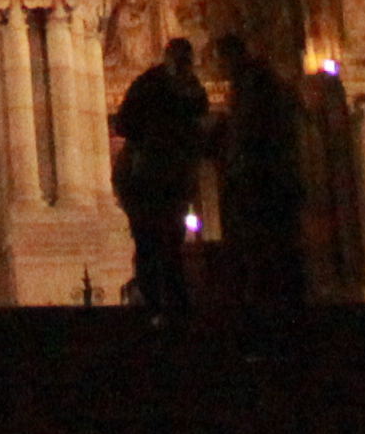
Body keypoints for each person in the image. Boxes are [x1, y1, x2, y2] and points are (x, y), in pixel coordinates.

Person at [112, 34, 210, 314]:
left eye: (187, 62)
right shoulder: (148, 85)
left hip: (174, 177)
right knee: (150, 239)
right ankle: (154, 303)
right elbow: (124, 123)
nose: (183, 67)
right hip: (146, 177)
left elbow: (200, 121)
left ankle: (171, 304)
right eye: (179, 60)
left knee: (171, 240)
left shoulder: (191, 88)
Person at [210, 32, 308, 310]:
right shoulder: (258, 82)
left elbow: (252, 129)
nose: (222, 69)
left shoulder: (256, 84)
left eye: (222, 61)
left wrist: (234, 150)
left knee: (265, 244)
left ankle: (270, 302)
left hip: (264, 176)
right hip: (267, 175)